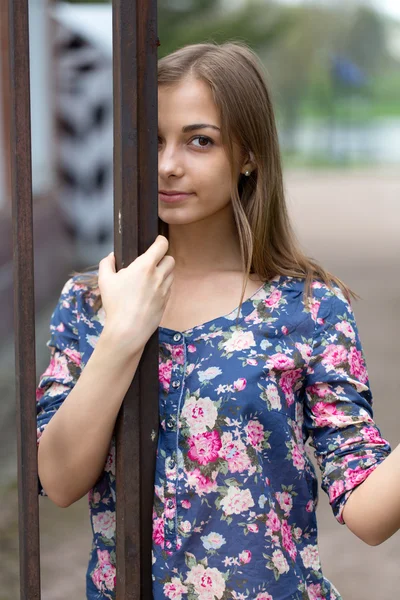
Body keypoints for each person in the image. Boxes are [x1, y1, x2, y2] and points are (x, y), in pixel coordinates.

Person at [36, 42, 395, 600]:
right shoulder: (91, 301)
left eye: (200, 140)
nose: (168, 165)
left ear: (248, 154)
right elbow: (58, 481)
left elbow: (368, 510)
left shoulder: (309, 308)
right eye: (152, 141)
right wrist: (122, 334)